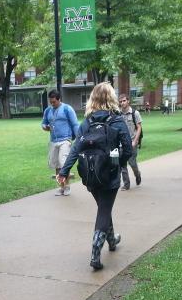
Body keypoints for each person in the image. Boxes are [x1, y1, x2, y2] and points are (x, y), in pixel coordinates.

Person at [57, 82, 132, 270]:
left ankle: (112, 240)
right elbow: (128, 149)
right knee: (104, 210)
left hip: (90, 175)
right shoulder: (117, 120)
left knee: (103, 208)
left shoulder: (87, 122)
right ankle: (95, 254)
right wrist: (118, 163)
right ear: (111, 98)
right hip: (110, 175)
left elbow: (75, 149)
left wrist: (64, 171)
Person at [42, 89, 79, 196]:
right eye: (51, 102)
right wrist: (45, 127)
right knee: (57, 165)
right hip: (53, 141)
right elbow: (43, 123)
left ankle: (67, 186)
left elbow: (75, 124)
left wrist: (78, 139)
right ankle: (61, 187)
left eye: (54, 102)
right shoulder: (48, 111)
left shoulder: (67, 109)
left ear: (59, 99)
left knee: (63, 163)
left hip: (65, 140)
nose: (52, 104)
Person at [118, 94, 142, 189]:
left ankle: (137, 174)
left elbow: (139, 127)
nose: (122, 103)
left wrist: (135, 141)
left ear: (128, 101)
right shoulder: (118, 114)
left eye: (124, 101)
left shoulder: (135, 113)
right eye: (120, 101)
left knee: (132, 162)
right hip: (121, 143)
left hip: (132, 141)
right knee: (122, 163)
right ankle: (126, 184)